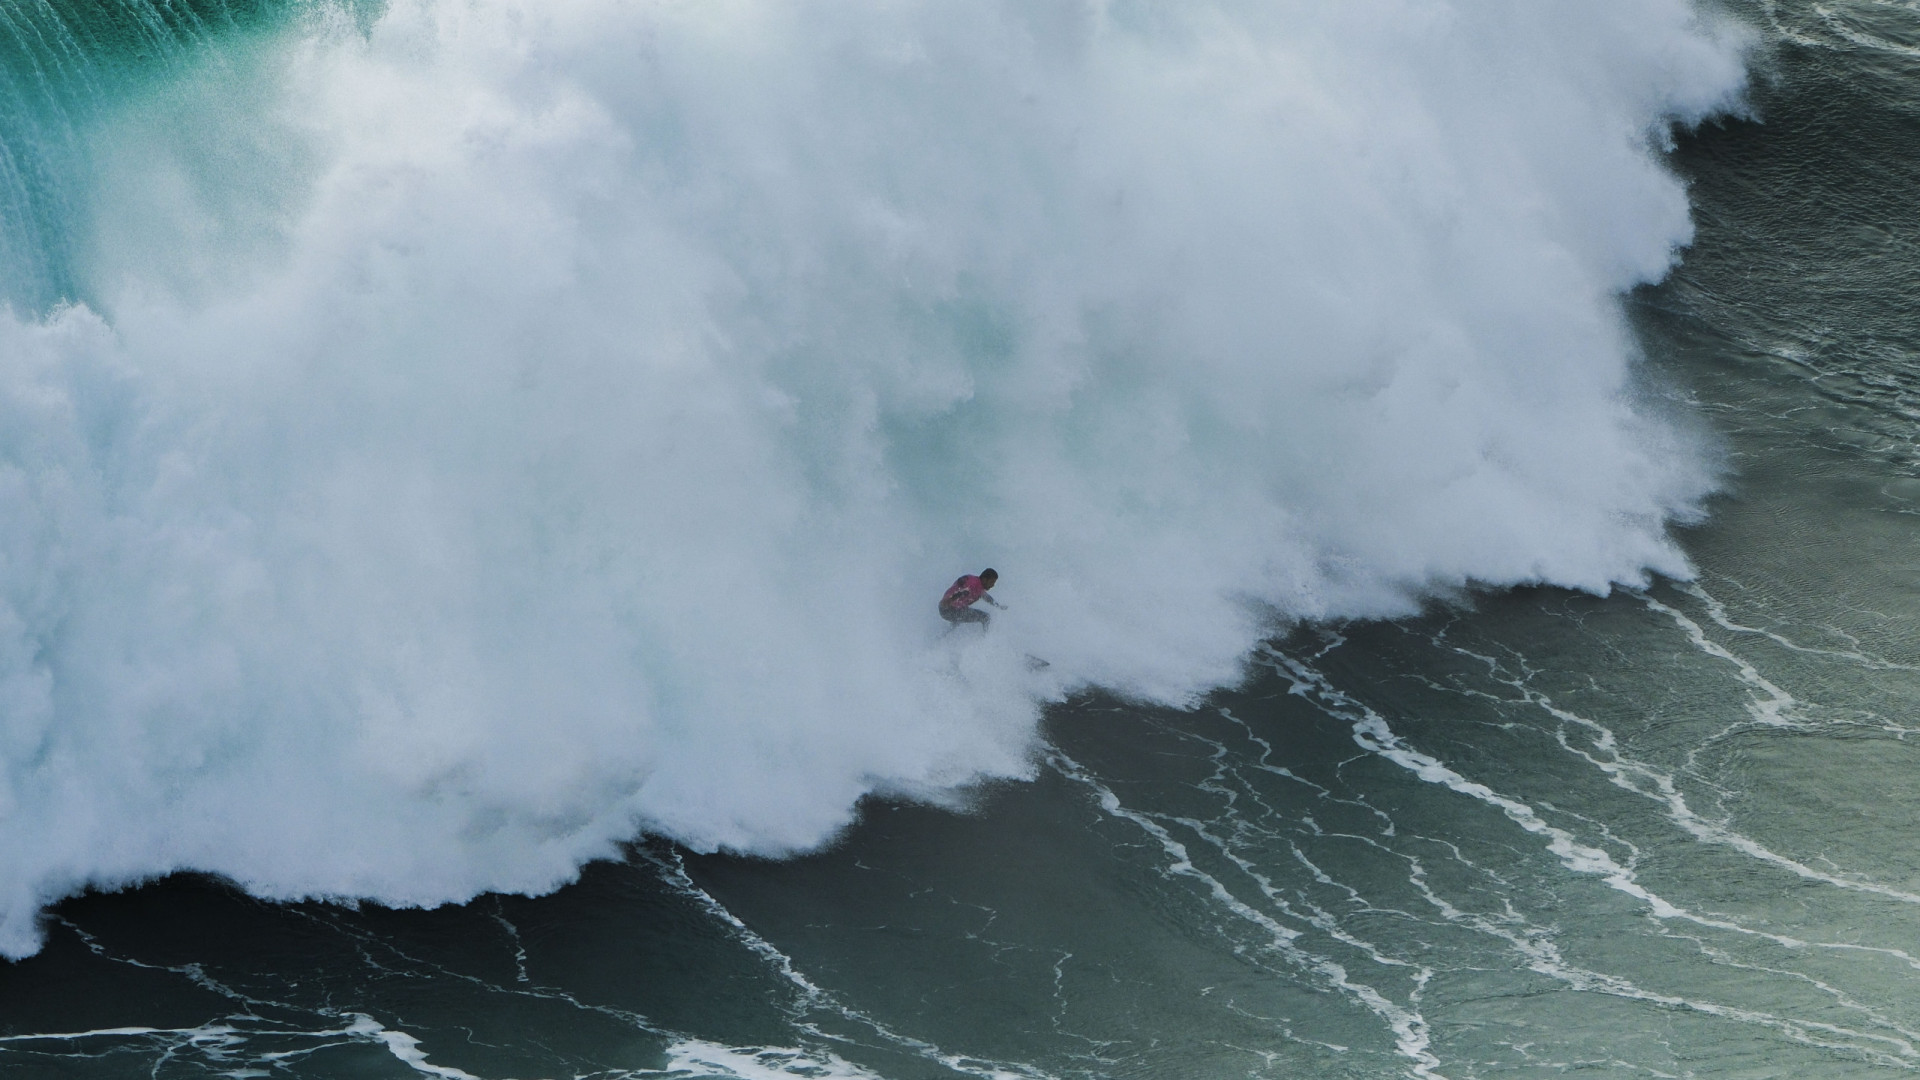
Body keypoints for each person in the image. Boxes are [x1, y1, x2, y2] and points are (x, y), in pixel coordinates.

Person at [940, 568, 1005, 628]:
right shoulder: (973, 585)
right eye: (991, 582)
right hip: (948, 609)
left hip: (951, 609)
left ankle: (944, 637)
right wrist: (947, 602)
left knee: (959, 619)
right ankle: (986, 638)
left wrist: (998, 606)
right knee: (985, 617)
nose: (993, 585)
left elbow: (986, 597)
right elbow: (959, 592)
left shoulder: (977, 584)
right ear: (985, 579)